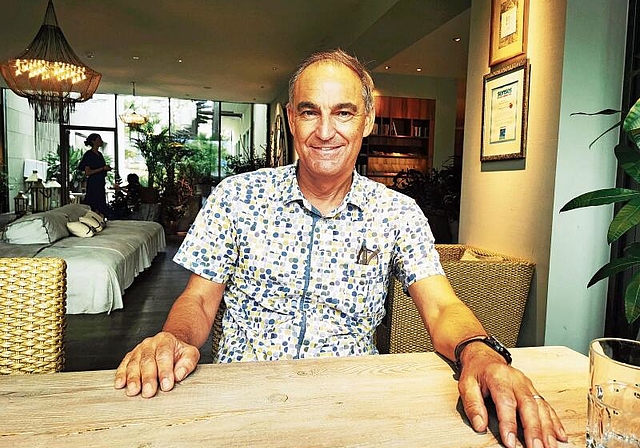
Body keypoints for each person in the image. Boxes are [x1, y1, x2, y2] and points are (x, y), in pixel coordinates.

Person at [115, 50, 567, 448]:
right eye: (310, 112)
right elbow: (197, 299)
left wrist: (480, 352)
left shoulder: (398, 213)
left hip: (352, 406)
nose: (325, 131)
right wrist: (173, 339)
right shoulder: (236, 197)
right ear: (291, 119)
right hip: (240, 402)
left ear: (367, 120)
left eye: (344, 113)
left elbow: (441, 306)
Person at [77, 133, 112, 217]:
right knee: (93, 204)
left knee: (101, 205)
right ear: (93, 141)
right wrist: (102, 168)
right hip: (93, 184)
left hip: (100, 183)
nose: (101, 141)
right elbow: (88, 172)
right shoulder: (89, 155)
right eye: (98, 139)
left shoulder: (100, 154)